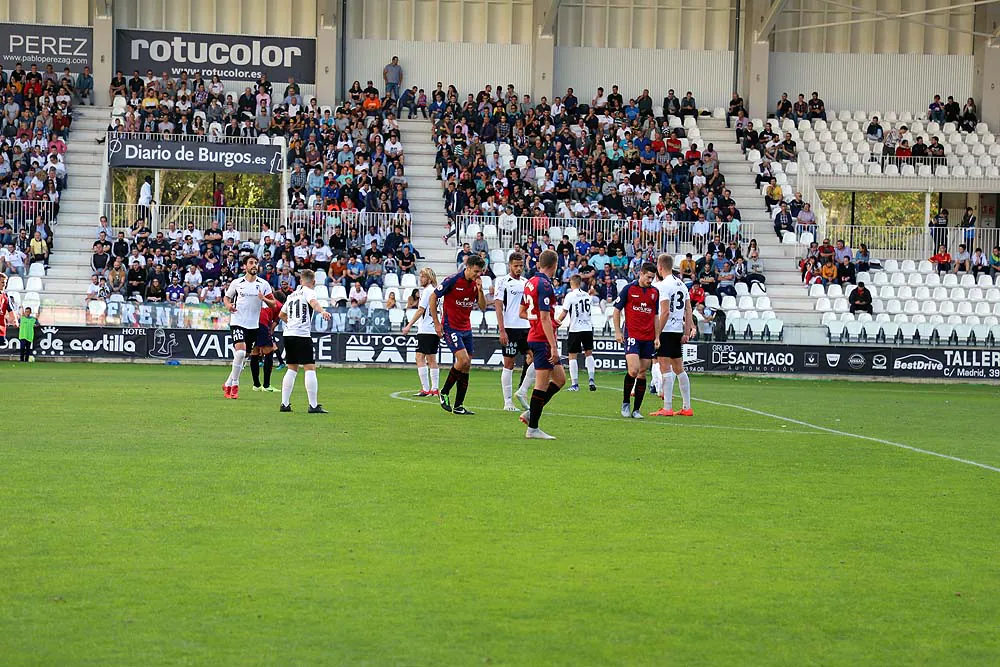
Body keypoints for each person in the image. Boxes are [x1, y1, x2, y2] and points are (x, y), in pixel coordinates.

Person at [517, 249, 566, 440]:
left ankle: (531, 414)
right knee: (542, 384)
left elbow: (524, 311)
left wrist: (549, 321)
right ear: (555, 265)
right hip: (542, 338)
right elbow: (544, 316)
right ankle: (533, 428)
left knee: (560, 379)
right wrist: (553, 345)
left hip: (538, 334)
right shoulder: (545, 284)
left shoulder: (530, 282)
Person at [430, 255, 487, 415]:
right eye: (476, 271)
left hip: (466, 329)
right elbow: (433, 296)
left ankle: (459, 406)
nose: (478, 275)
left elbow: (482, 307)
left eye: (480, 272)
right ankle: (444, 391)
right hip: (451, 327)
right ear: (467, 268)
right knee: (463, 360)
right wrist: (436, 323)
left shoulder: (476, 285)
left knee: (467, 366)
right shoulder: (453, 280)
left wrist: (481, 290)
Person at [222, 256, 276, 399]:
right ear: (245, 266)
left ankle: (227, 383)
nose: (254, 265)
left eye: (256, 263)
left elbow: (273, 304)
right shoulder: (237, 283)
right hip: (237, 322)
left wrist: (263, 298)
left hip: (253, 326)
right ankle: (234, 385)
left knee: (243, 357)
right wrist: (228, 306)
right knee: (239, 354)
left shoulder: (263, 284)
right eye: (251, 263)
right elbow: (226, 298)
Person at [278, 269, 333, 413]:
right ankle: (313, 405)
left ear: (300, 281)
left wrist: (291, 323)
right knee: (309, 368)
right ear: (313, 282)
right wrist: (322, 311)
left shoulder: (291, 295)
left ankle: (284, 404)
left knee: (292, 368)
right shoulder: (309, 291)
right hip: (302, 335)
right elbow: (313, 303)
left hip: (288, 334)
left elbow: (281, 314)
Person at [612, 262, 660, 419]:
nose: (650, 280)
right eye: (648, 277)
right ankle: (626, 402)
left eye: (652, 278)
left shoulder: (655, 292)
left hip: (648, 337)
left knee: (642, 373)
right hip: (632, 335)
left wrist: (657, 336)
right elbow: (616, 311)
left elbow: (655, 316)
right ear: (641, 273)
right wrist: (618, 331)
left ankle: (636, 409)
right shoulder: (629, 289)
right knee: (633, 370)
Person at [650, 254, 696, 417]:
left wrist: (656, 334)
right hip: (677, 330)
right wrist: (686, 331)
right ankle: (687, 407)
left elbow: (665, 311)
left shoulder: (662, 286)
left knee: (665, 367)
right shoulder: (682, 285)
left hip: (666, 330)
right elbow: (689, 310)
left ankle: (667, 407)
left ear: (660, 267)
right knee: (679, 368)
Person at [494, 252, 534, 411]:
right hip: (510, 328)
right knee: (509, 363)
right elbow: (498, 306)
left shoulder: (527, 282)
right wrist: (502, 330)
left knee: (536, 357)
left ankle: (522, 390)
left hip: (526, 327)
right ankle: (508, 401)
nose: (518, 269)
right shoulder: (502, 281)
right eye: (516, 266)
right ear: (510, 265)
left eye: (521, 266)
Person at [402, 268, 441, 397]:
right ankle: (434, 389)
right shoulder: (435, 291)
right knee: (431, 359)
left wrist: (408, 325)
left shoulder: (428, 291)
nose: (421, 278)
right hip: (433, 330)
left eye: (423, 276)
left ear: (429, 279)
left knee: (420, 357)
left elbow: (420, 310)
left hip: (426, 329)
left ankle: (426, 389)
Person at [555, 274, 597, 392]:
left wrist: (556, 322)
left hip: (575, 328)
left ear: (571, 283)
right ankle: (591, 379)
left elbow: (564, 312)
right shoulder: (588, 296)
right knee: (589, 353)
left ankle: (575, 384)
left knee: (572, 356)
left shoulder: (570, 296)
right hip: (588, 328)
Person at [250, 290, 285, 393]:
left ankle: (256, 385)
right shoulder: (279, 306)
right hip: (262, 323)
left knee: (255, 352)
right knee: (269, 351)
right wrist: (269, 334)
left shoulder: (265, 302)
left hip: (252, 323)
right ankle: (266, 385)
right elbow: (274, 325)